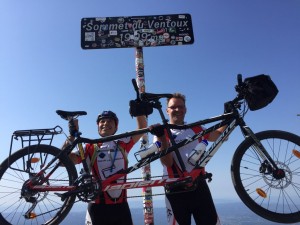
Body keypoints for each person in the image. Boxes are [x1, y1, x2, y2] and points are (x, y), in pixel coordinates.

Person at [152, 93, 226, 225]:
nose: (177, 110)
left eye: (180, 107)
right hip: (175, 189)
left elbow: (218, 135)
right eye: (173, 107)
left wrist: (227, 116)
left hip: (199, 186)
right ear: (167, 110)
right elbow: (167, 163)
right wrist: (161, 137)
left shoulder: (196, 128)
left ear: (185, 109)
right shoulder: (161, 133)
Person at [62, 110, 147, 225]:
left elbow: (142, 127)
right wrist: (72, 136)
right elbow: (63, 161)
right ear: (98, 126)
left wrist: (139, 108)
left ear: (116, 126)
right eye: (102, 121)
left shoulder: (123, 143)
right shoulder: (89, 147)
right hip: (97, 208)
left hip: (121, 207)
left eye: (110, 121)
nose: (106, 123)